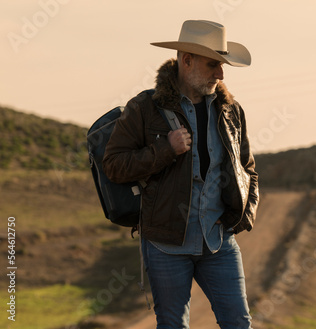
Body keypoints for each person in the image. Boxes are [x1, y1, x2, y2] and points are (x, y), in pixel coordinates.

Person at [102, 20, 259, 328]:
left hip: (218, 243)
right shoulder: (145, 107)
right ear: (186, 60)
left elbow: (248, 169)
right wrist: (165, 150)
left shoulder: (231, 111)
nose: (221, 73)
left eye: (222, 65)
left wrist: (244, 216)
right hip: (165, 244)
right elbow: (113, 165)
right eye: (214, 64)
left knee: (239, 323)